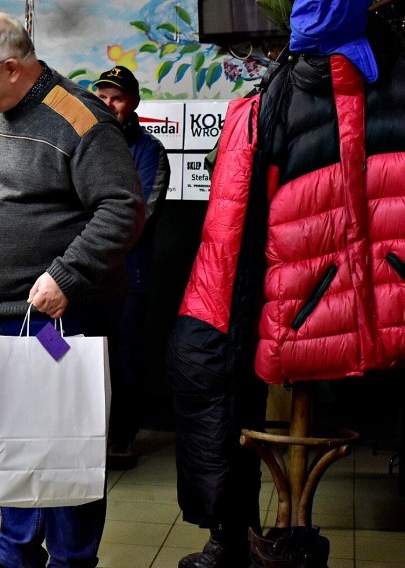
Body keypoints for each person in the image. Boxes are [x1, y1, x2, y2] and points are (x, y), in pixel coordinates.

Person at [166, 0, 405, 566]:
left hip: (349, 307)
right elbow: (227, 246)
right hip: (302, 313)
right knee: (207, 364)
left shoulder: (279, 99)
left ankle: (235, 536)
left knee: (208, 362)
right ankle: (232, 531)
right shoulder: (268, 103)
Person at [0, 8, 144, 567]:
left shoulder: (80, 120)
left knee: (64, 439)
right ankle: (16, 554)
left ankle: (72, 560)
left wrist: (66, 276)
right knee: (18, 442)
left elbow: (123, 209)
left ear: (10, 68)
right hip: (2, 311)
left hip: (58, 317)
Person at [94, 65, 170, 470]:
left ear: (133, 103)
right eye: (102, 96)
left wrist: (92, 246)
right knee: (75, 351)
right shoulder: (84, 142)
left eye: (117, 98)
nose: (108, 105)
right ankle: (84, 435)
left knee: (123, 356)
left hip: (129, 274)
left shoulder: (151, 150)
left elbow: (141, 215)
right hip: (84, 276)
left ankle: (121, 437)